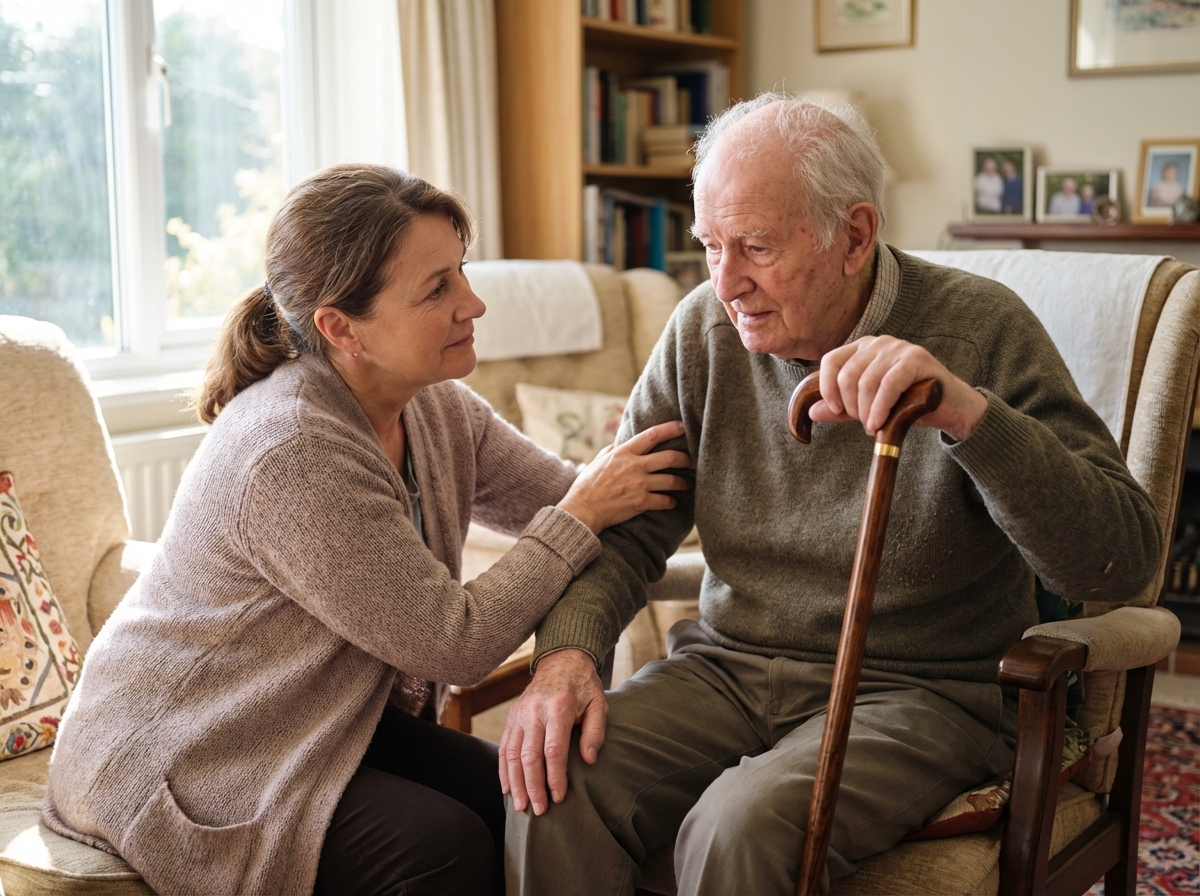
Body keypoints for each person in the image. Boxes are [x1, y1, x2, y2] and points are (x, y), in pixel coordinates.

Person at [501, 95, 1162, 894]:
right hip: (727, 668)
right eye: (710, 246)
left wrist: (968, 415)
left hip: (923, 692)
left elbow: (1118, 559)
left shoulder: (980, 330)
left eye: (756, 246)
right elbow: (627, 527)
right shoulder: (702, 332)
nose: (727, 282)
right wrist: (566, 654)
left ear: (854, 236)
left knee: (738, 828)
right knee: (552, 786)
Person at [42, 165, 692, 896]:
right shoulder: (292, 451)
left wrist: (724, 523)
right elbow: (459, 639)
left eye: (461, 272)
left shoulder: (435, 407)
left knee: (535, 799)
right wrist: (582, 513)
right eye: (437, 289)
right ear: (340, 327)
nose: (473, 303)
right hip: (185, 753)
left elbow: (580, 502)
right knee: (443, 848)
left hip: (311, 719)